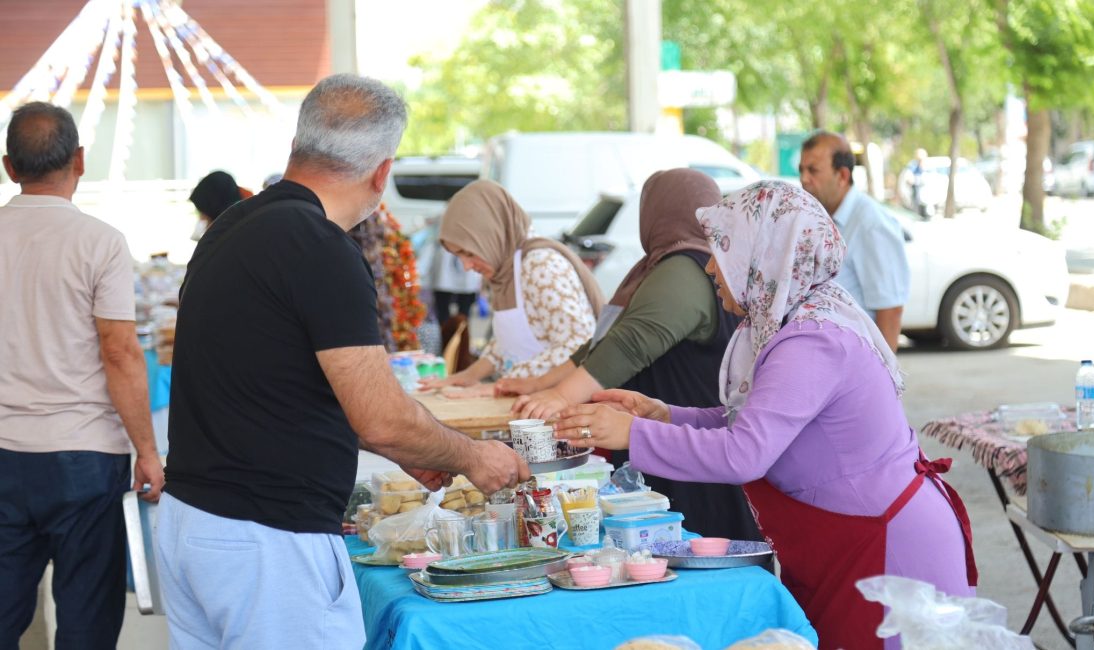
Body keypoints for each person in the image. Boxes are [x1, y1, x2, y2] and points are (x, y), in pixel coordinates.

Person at [156, 75, 529, 648]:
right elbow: (379, 416)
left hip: (193, 520)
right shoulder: (321, 246)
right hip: (266, 538)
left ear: (300, 146)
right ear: (382, 172)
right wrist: (474, 456)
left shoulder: (232, 226)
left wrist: (415, 448)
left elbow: (278, 389)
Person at [554, 181, 976, 650]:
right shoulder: (791, 320)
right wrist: (664, 416)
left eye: (722, 251)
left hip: (886, 552)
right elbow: (755, 422)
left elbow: (745, 453)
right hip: (848, 540)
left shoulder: (812, 338)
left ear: (765, 254)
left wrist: (634, 435)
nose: (712, 267)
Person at [500, 169, 760, 540]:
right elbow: (602, 344)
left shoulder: (684, 268)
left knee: (692, 552)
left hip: (688, 459)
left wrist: (557, 397)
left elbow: (629, 346)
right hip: (675, 438)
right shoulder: (669, 264)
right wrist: (539, 384)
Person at [0, 101, 165, 649]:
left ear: (8, 166)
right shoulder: (100, 240)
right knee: (86, 625)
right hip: (86, 458)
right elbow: (119, 351)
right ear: (80, 160)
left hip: (3, 453)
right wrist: (147, 450)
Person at [419, 180, 604, 391]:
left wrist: (506, 383)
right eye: (458, 255)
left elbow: (579, 345)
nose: (466, 266)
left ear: (493, 235)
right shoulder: (505, 268)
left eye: (469, 253)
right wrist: (469, 375)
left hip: (562, 404)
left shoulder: (540, 266)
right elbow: (507, 343)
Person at [799, 131, 909, 351]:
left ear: (842, 176)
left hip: (857, 362)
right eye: (801, 170)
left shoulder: (871, 224)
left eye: (813, 170)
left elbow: (890, 309)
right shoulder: (818, 218)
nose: (804, 179)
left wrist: (884, 380)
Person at [187, 169, 252, 241]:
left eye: (204, 211)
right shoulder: (234, 215)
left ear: (214, 205)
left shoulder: (237, 228)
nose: (202, 218)